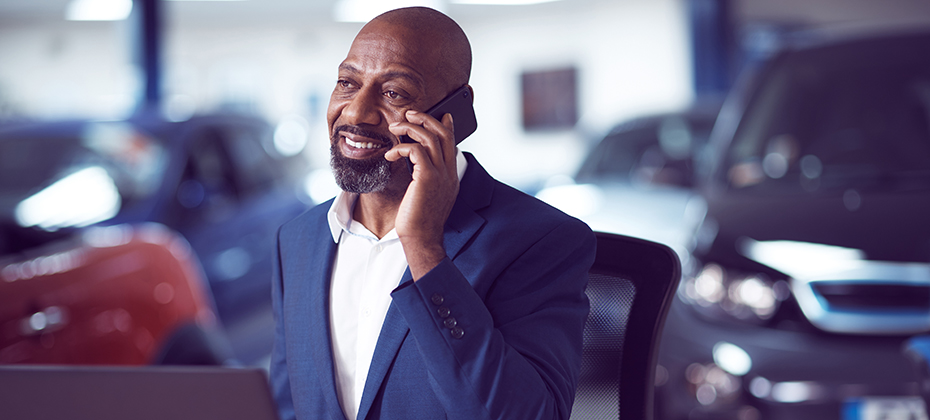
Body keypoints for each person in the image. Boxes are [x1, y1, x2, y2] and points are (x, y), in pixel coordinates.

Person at [269, 6, 596, 420]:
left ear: (454, 111)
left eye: (394, 93)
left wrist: (425, 251)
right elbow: (287, 408)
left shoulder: (541, 240)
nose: (355, 113)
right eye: (347, 83)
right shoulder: (297, 241)